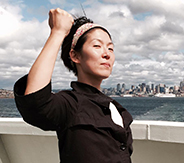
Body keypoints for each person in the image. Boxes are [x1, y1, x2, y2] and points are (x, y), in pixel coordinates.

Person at [14, 8, 133, 163]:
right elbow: (34, 101)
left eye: (110, 48)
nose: (107, 54)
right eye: (97, 46)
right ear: (75, 56)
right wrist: (57, 32)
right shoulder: (69, 104)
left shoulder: (117, 109)